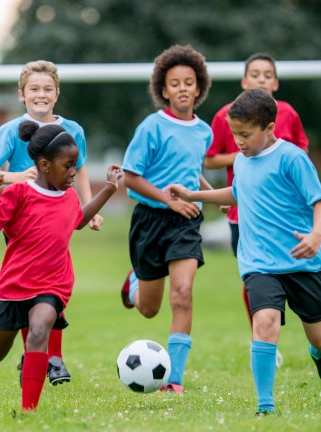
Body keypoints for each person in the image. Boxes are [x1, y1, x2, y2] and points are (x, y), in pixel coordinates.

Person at [169, 88, 321, 416]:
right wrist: (192, 195)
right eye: (235, 134)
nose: (238, 141)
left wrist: (317, 235)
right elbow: (237, 192)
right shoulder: (242, 161)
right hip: (259, 262)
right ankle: (265, 407)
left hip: (302, 261)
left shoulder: (292, 158)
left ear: (269, 128)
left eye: (245, 134)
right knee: (264, 322)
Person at [0, 120, 122, 411]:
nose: (73, 173)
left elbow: (78, 220)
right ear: (44, 165)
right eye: (68, 166)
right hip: (14, 286)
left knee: (40, 328)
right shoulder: (18, 194)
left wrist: (107, 189)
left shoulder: (68, 195)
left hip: (52, 284)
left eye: (74, 166)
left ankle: (29, 410)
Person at [0, 60, 101, 385]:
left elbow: (82, 168)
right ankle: (22, 340)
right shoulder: (10, 131)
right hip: (21, 216)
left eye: (48, 89)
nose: (41, 94)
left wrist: (89, 207)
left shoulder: (73, 130)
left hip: (59, 211)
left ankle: (52, 357)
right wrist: (15, 177)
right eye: (34, 88)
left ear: (57, 93)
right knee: (29, 285)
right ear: (21, 94)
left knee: (53, 279)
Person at [203, 52, 309, 368]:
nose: (261, 79)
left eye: (267, 74)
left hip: (286, 214)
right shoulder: (225, 116)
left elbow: (300, 153)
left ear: (275, 82)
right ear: (244, 81)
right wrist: (246, 155)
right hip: (244, 214)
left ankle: (302, 329)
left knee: (293, 275)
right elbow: (209, 159)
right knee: (255, 276)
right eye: (255, 74)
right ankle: (263, 337)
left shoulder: (288, 114)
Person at [119, 44, 213, 395]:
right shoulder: (152, 127)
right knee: (148, 309)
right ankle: (135, 283)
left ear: (199, 88)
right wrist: (168, 200)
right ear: (163, 90)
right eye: (175, 83)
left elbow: (191, 170)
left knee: (183, 294)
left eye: (189, 82)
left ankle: (173, 379)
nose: (183, 88)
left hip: (186, 222)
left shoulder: (204, 131)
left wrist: (208, 195)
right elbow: (131, 176)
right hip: (150, 220)